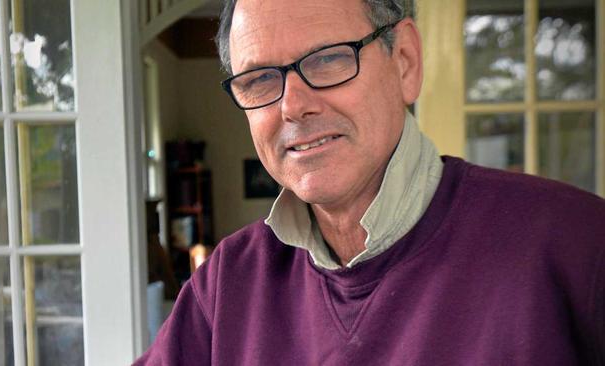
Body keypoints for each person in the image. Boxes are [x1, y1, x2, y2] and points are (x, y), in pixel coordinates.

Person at [134, 0, 605, 364]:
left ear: (404, 61)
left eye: (326, 60)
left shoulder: (577, 242)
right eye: (258, 79)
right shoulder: (228, 282)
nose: (292, 106)